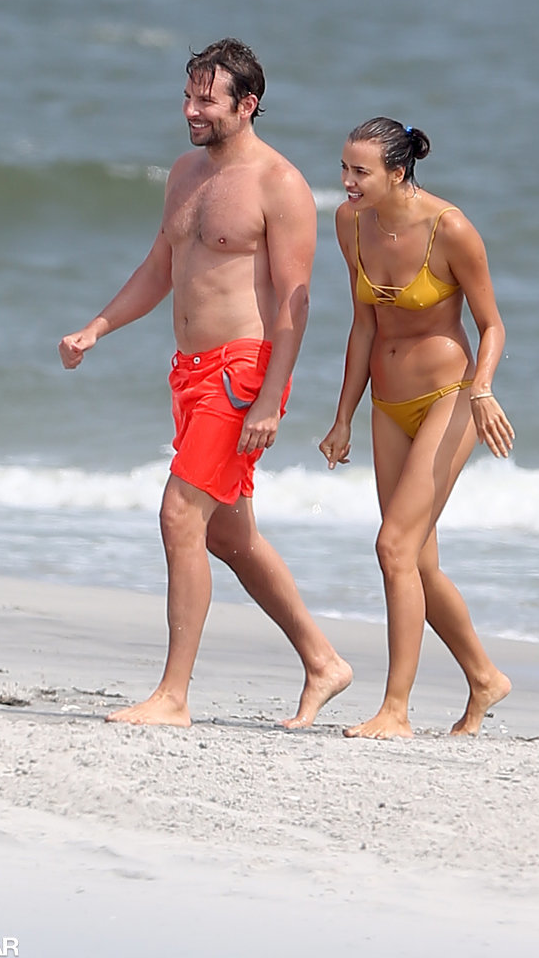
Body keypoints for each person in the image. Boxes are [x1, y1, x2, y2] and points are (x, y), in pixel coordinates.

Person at [59, 38, 352, 728]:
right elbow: (161, 267)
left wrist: (271, 398)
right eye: (188, 96)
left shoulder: (280, 184)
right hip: (189, 371)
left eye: (207, 100)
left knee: (179, 515)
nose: (191, 110)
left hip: (242, 372)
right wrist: (98, 327)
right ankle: (323, 662)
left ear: (246, 105)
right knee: (229, 536)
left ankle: (174, 695)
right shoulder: (186, 173)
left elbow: (295, 302)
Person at [319, 117, 514, 740]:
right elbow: (363, 324)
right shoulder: (350, 223)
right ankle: (484, 677)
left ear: (398, 172)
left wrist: (483, 389)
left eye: (360, 172)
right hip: (387, 404)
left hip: (450, 398)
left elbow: (492, 324)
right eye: (344, 168)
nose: (347, 181)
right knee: (418, 564)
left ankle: (395, 710)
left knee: (393, 549)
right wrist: (344, 416)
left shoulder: (449, 228)